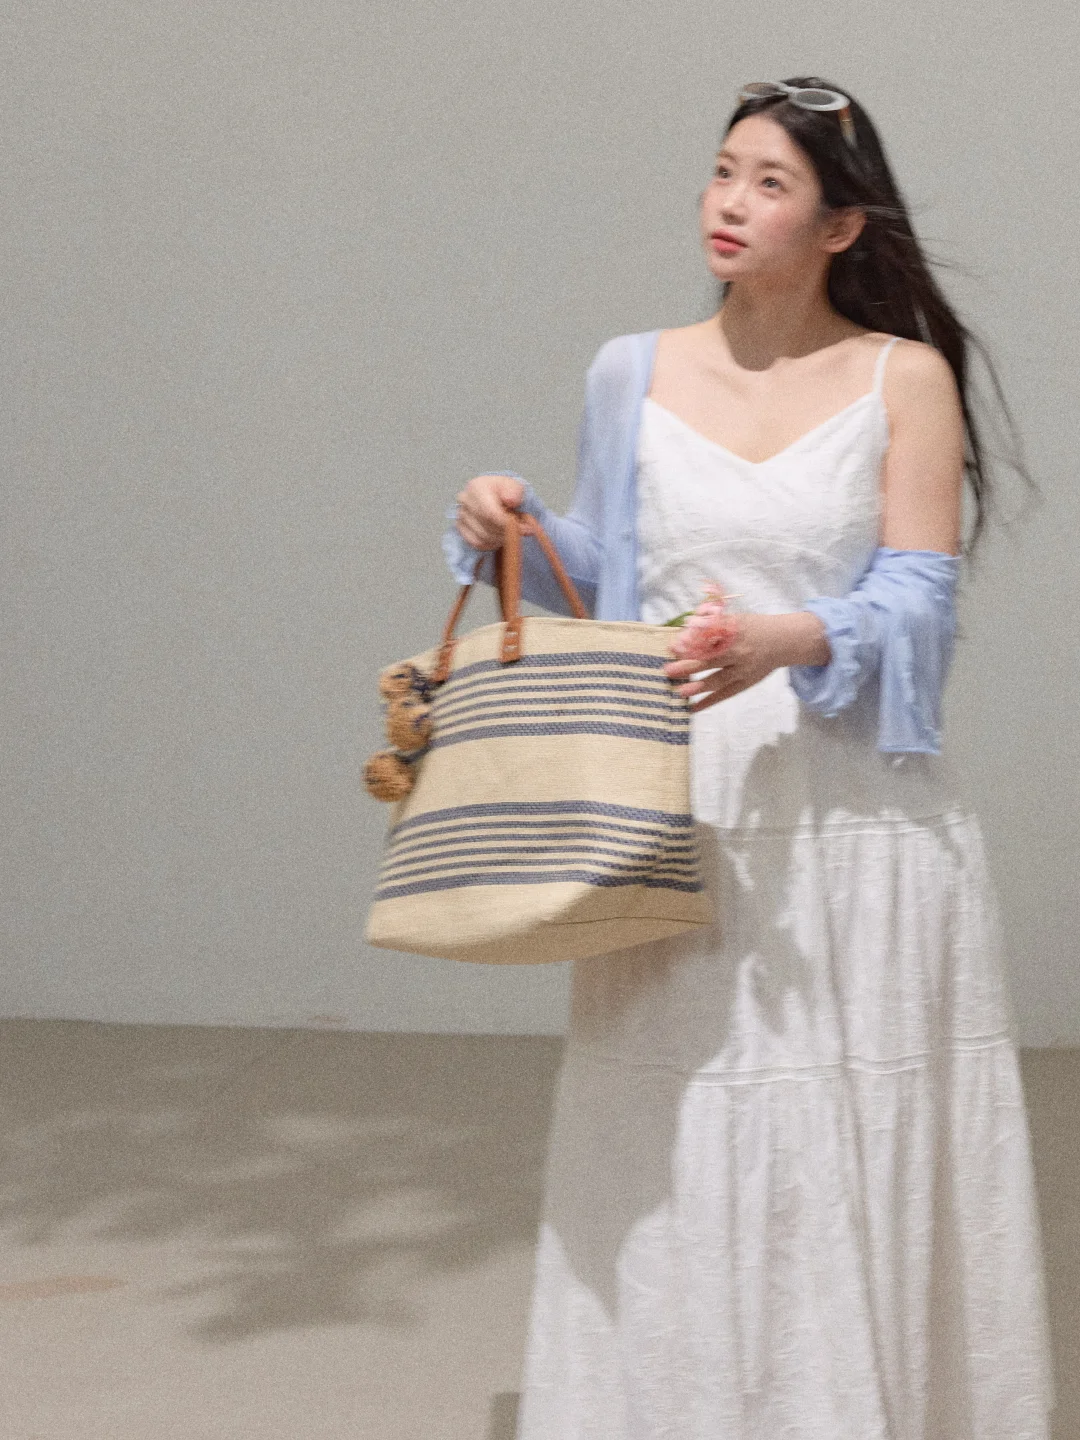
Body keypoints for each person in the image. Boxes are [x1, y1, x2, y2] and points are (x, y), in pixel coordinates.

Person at [447, 78, 1053, 1439]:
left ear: (841, 227)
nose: (729, 203)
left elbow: (919, 598)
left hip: (855, 817)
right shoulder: (631, 368)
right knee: (676, 1132)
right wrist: (509, 527)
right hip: (680, 804)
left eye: (771, 183)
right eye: (724, 171)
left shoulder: (902, 377)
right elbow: (606, 580)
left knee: (848, 1125)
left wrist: (788, 638)